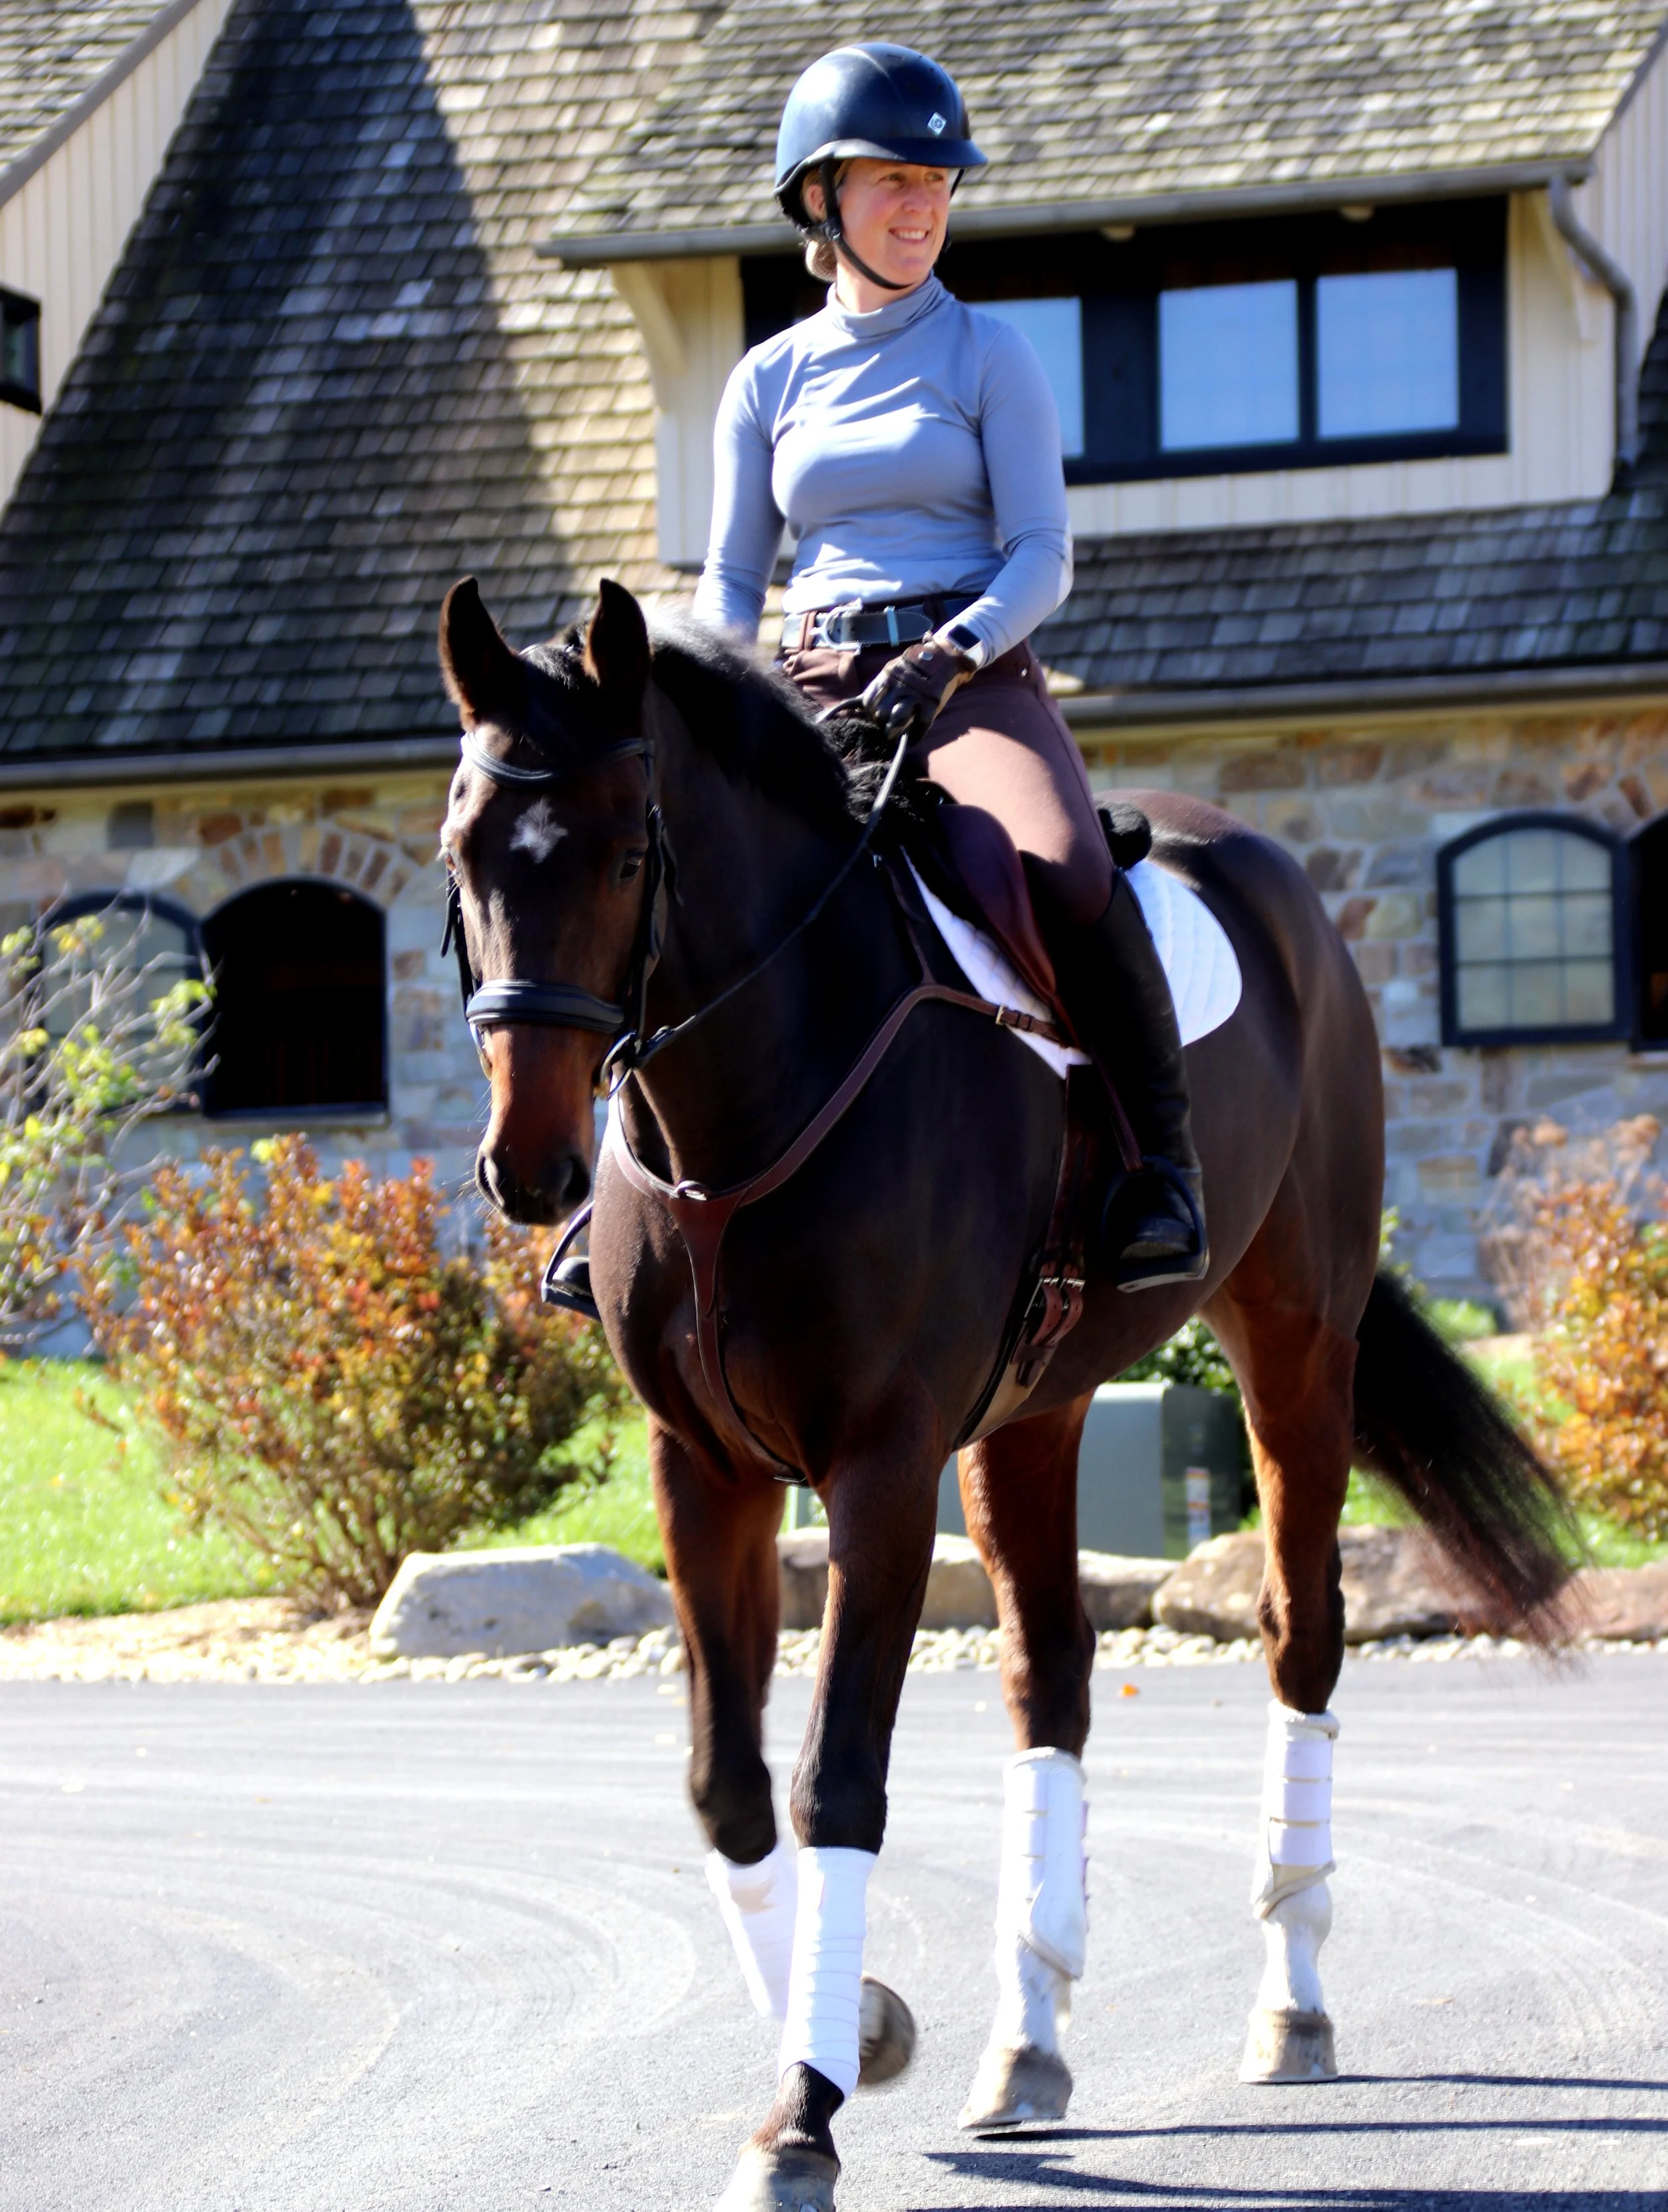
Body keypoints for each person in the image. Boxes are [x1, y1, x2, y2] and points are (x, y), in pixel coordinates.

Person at [692, 41, 1206, 1288]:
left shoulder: (989, 353)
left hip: (973, 679)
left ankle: (1160, 1172)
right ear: (821, 200)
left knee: (1066, 867)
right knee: (671, 876)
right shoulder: (766, 381)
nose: (923, 205)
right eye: (892, 181)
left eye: (939, 181)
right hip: (811, 686)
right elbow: (731, 585)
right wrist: (708, 697)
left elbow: (1043, 553)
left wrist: (952, 650)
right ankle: (626, 1197)